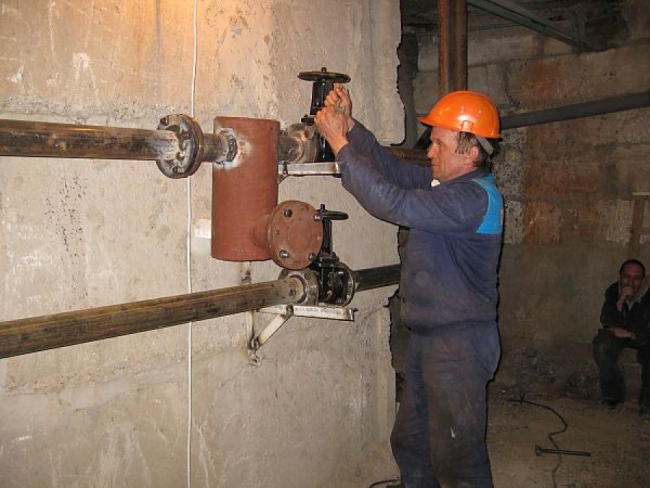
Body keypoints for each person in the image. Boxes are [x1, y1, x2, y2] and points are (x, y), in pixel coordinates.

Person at [315, 87, 503, 487]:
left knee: (458, 458)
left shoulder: (472, 200)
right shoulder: (447, 186)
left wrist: (340, 146)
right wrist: (351, 126)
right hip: (431, 338)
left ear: (471, 152)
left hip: (460, 345)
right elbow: (391, 171)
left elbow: (392, 203)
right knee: (412, 443)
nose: (429, 151)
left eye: (439, 144)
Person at [592, 259, 650, 416]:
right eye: (626, 277)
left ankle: (647, 402)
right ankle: (613, 396)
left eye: (636, 278)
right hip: (621, 335)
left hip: (643, 338)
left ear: (643, 280)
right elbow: (606, 319)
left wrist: (632, 334)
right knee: (602, 344)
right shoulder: (614, 290)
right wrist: (620, 302)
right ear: (620, 276)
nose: (630, 282)